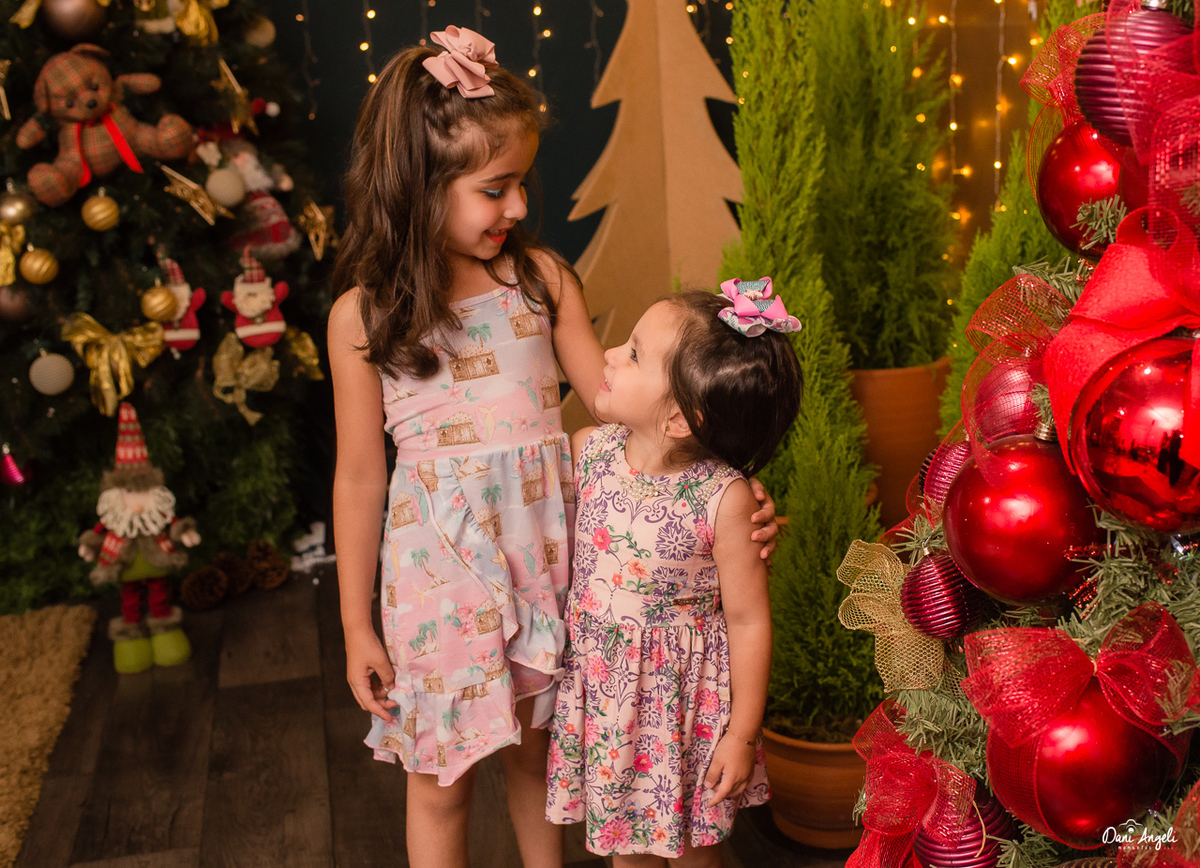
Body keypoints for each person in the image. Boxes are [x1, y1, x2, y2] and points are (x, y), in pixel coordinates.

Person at [328, 27, 778, 868]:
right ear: (419, 185)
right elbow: (358, 477)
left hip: (550, 572)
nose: (517, 208)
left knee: (540, 761)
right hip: (438, 589)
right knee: (440, 782)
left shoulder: (538, 283)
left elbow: (629, 409)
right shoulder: (363, 318)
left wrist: (727, 495)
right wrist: (357, 623)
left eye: (520, 185)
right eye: (493, 189)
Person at [545, 280, 804, 868]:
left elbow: (748, 619)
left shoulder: (724, 498)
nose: (611, 354)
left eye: (634, 354)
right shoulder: (589, 453)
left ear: (682, 419)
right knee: (626, 849)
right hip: (610, 699)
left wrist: (742, 733)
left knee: (692, 853)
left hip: (681, 707)